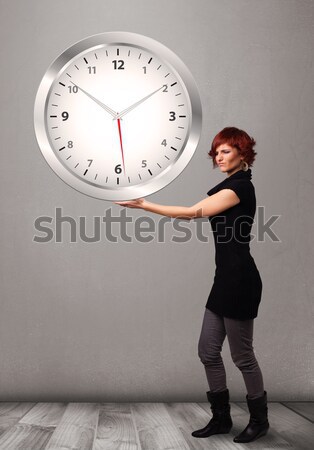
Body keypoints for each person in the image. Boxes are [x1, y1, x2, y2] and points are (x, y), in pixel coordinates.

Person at [115, 127, 269, 444]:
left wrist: (146, 205)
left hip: (241, 281)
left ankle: (259, 420)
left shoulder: (239, 188)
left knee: (242, 357)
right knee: (208, 351)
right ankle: (221, 418)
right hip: (224, 279)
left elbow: (190, 213)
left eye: (226, 151)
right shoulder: (227, 186)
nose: (219, 157)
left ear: (242, 153)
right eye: (216, 152)